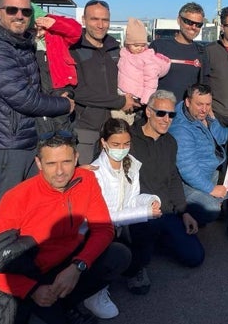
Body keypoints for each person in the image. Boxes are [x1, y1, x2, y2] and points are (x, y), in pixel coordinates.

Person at [0, 131, 130, 324]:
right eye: (50, 164)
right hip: (31, 274)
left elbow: (104, 228)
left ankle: (64, 303)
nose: (59, 171)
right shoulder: (17, 197)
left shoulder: (86, 180)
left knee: (119, 255)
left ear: (76, 158)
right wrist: (31, 289)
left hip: (67, 263)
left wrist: (78, 266)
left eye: (66, 161)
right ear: (39, 163)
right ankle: (48, 306)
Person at [0, 0, 74, 214]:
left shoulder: (17, 42)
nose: (19, 16)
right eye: (12, 10)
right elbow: (24, 98)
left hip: (25, 137)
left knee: (32, 207)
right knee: (6, 210)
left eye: (25, 11)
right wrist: (64, 104)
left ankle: (25, 250)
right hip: (6, 143)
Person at [82, 118, 162, 318]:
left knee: (151, 226)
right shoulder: (96, 173)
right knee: (117, 243)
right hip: (95, 231)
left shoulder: (131, 165)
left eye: (126, 144)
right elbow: (104, 217)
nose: (121, 149)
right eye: (116, 144)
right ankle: (93, 291)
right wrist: (143, 212)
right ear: (104, 143)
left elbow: (132, 199)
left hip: (119, 228)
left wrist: (151, 200)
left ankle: (133, 269)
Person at [126, 90, 204, 295]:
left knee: (195, 257)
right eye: (161, 113)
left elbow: (173, 177)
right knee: (144, 235)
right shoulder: (128, 139)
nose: (167, 119)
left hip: (165, 211)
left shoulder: (170, 142)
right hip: (138, 212)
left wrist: (184, 211)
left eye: (171, 115)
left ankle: (157, 242)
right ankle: (137, 266)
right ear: (148, 112)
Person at [71, 0, 139, 164]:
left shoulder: (115, 49)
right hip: (86, 129)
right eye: (94, 19)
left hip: (115, 129)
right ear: (84, 20)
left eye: (105, 20)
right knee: (86, 178)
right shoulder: (74, 49)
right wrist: (120, 101)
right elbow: (78, 92)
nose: (100, 25)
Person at [169, 83, 228, 225]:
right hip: (186, 184)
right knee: (212, 209)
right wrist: (212, 190)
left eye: (208, 104)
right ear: (187, 102)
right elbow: (187, 170)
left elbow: (221, 137)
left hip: (209, 172)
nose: (204, 109)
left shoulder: (204, 116)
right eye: (199, 104)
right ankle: (182, 215)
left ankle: (207, 201)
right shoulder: (181, 129)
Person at [31, 3, 82, 135]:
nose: (39, 30)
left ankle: (67, 142)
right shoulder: (29, 42)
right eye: (35, 27)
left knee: (62, 120)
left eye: (42, 27)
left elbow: (75, 31)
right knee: (43, 121)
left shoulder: (57, 36)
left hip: (61, 85)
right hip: (40, 87)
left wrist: (53, 21)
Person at [112, 17, 170, 124]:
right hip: (121, 93)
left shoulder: (147, 59)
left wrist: (147, 98)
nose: (139, 48)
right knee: (115, 118)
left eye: (143, 45)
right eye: (136, 45)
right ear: (128, 44)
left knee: (125, 119)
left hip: (136, 95)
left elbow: (151, 81)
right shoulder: (124, 53)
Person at [151, 2, 208, 103]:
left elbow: (203, 87)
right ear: (179, 20)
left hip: (186, 115)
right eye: (189, 22)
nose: (193, 27)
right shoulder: (159, 46)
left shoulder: (202, 52)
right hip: (161, 113)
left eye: (198, 24)